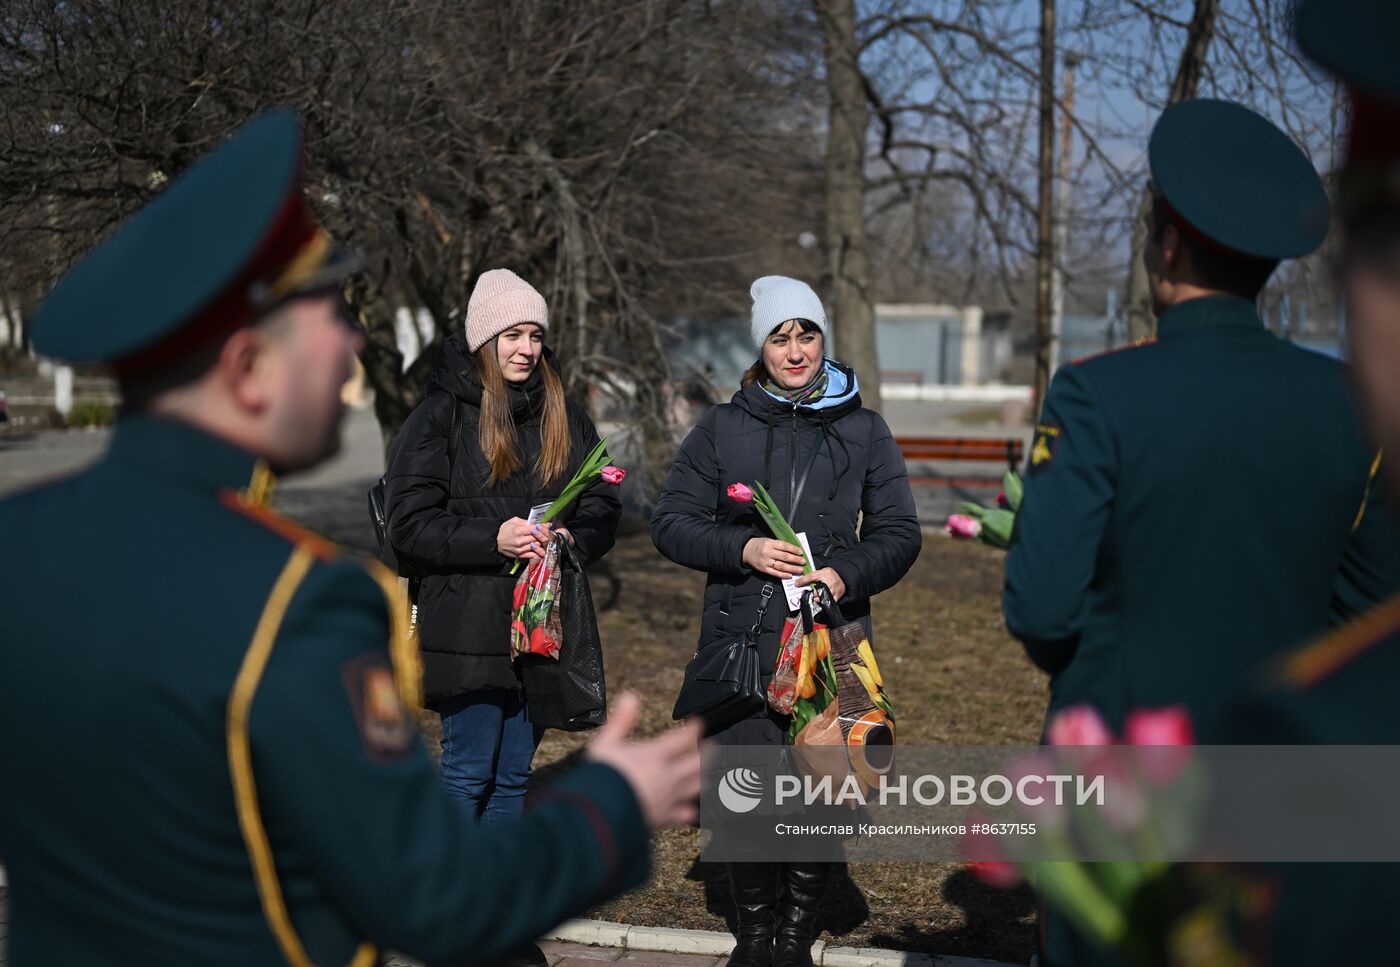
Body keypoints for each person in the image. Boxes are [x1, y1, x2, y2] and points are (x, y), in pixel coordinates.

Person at [0, 109, 702, 967]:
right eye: (329, 316)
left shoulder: (19, 548)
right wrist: (610, 810)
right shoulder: (297, 602)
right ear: (248, 367)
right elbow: (431, 898)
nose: (355, 342)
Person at [1002, 98, 1400, 966]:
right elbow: (1371, 606)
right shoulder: (1351, 405)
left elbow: (1041, 606)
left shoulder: (1097, 393)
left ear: (1167, 242)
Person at [650, 276, 922, 967]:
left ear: (823, 337)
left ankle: (796, 937)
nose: (796, 350)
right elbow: (671, 522)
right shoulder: (723, 425)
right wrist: (740, 547)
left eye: (807, 334)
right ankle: (755, 936)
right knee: (744, 796)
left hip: (832, 640)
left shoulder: (864, 428)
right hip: (742, 641)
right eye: (781, 336)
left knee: (819, 794)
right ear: (761, 345)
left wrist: (842, 573)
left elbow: (899, 532)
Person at [383, 269, 619, 836]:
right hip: (467, 621)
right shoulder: (441, 415)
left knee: (513, 777)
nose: (527, 350)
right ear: (484, 340)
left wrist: (572, 539)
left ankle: (491, 910)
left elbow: (603, 501)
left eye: (535, 336)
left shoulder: (561, 410)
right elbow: (407, 526)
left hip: (541, 622)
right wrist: (493, 538)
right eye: (512, 335)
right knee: (467, 772)